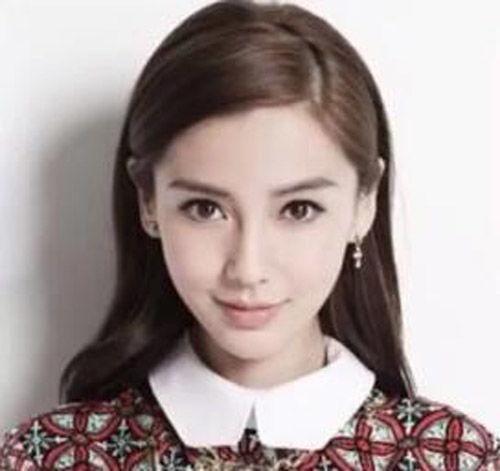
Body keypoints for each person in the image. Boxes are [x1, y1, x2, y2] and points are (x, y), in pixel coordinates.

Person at [1, 0, 498, 469]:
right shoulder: (46, 457)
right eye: (205, 208)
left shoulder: (457, 458)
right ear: (148, 202)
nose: (248, 268)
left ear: (363, 203)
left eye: (299, 209)